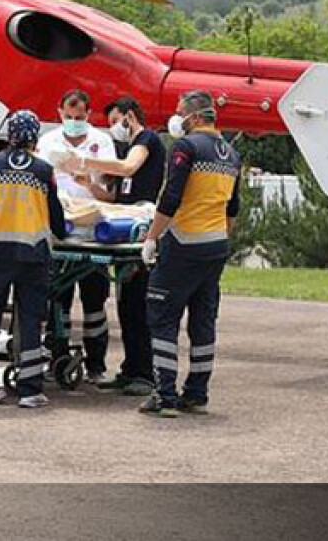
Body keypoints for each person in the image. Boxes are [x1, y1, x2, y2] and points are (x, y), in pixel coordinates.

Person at [139, 90, 241, 418]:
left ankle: (165, 395)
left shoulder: (186, 147)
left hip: (183, 242)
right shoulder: (231, 154)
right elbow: (233, 209)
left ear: (195, 117)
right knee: (203, 320)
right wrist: (221, 240)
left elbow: (171, 197)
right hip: (215, 246)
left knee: (163, 316)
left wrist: (152, 238)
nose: (175, 116)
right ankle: (197, 393)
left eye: (179, 111)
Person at [65, 96, 166, 396]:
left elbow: (127, 168)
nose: (112, 130)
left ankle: (144, 372)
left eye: (114, 122)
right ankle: (130, 369)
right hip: (125, 222)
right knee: (125, 305)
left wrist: (83, 159)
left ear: (130, 117)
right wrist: (88, 185)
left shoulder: (147, 140)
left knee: (138, 304)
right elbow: (113, 198)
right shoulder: (127, 148)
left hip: (140, 227)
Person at [0, 110, 68, 408]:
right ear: (34, 137)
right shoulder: (43, 170)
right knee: (29, 319)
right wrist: (61, 231)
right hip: (31, 253)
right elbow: (56, 216)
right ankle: (30, 389)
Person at [34, 89, 117, 382]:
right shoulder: (48, 143)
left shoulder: (102, 142)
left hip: (94, 231)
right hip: (59, 231)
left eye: (79, 118)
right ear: (59, 113)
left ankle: (96, 365)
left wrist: (88, 181)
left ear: (88, 115)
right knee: (58, 298)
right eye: (68, 117)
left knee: (95, 302)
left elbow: (110, 189)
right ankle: (57, 357)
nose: (73, 122)